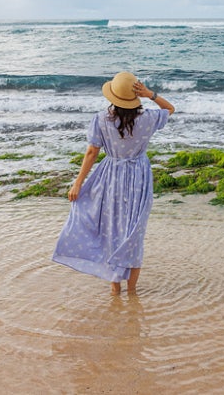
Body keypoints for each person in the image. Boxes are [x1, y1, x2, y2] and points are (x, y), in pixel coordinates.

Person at [52, 71, 175, 295]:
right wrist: (151, 94)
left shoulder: (101, 119)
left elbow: (91, 152)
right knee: (134, 233)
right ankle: (133, 291)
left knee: (112, 229)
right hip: (139, 177)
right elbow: (170, 109)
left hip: (111, 176)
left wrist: (78, 183)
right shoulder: (147, 118)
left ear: (113, 96)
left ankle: (115, 289)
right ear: (135, 96)